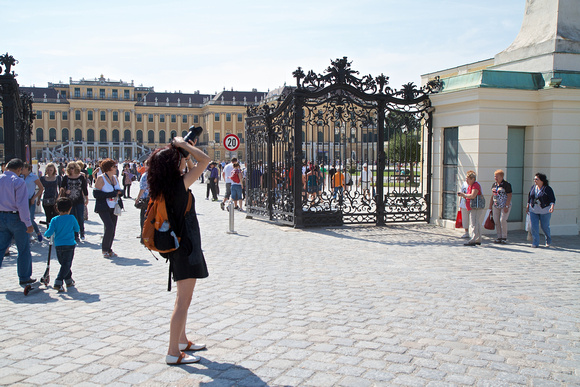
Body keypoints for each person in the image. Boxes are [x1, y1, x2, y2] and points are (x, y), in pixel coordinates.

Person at [147, 136, 210, 365]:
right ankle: (173, 352)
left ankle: (182, 341)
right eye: (180, 161)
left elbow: (196, 167)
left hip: (181, 246)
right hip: (185, 248)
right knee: (182, 302)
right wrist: (184, 145)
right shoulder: (178, 184)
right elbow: (205, 161)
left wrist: (183, 155)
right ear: (173, 166)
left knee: (183, 299)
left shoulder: (167, 185)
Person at [0, 158, 36, 286]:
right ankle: (24, 277)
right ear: (19, 169)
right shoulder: (18, 182)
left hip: (1, 217)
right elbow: (22, 205)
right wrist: (28, 223)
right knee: (23, 249)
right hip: (16, 218)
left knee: (1, 248)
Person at [43, 197, 79, 292]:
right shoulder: (72, 218)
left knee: (63, 263)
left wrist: (45, 234)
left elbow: (49, 232)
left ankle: (68, 280)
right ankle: (58, 281)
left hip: (58, 245)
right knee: (66, 264)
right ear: (70, 208)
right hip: (70, 244)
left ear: (57, 208)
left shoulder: (54, 220)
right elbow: (77, 229)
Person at [93, 159, 123, 258]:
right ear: (109, 168)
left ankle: (109, 249)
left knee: (112, 228)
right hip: (104, 207)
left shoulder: (115, 177)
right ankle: (104, 249)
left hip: (114, 206)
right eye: (114, 166)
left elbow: (118, 190)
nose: (116, 168)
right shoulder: (101, 178)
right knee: (109, 226)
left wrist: (120, 192)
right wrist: (112, 194)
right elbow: (96, 194)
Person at [60, 162, 89, 242]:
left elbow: (84, 188)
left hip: (79, 199)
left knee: (80, 216)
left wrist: (86, 198)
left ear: (76, 168)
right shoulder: (66, 177)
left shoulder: (81, 177)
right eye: (70, 168)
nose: (71, 170)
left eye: (73, 168)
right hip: (69, 201)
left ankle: (82, 232)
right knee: (72, 218)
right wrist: (66, 191)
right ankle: (75, 235)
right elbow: (61, 187)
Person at [527, 172, 556, 248]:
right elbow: (530, 198)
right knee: (534, 226)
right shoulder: (533, 187)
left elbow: (552, 199)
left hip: (545, 210)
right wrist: (528, 206)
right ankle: (535, 242)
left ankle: (548, 240)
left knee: (544, 226)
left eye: (537, 179)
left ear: (542, 180)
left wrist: (552, 207)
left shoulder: (547, 189)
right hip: (533, 210)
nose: (535, 180)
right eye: (534, 179)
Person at [458, 170, 485, 246]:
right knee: (477, 223)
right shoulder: (470, 185)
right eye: (466, 179)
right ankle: (478, 239)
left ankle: (473, 239)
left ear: (473, 179)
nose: (466, 180)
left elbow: (473, 195)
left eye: (468, 179)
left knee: (474, 223)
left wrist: (464, 195)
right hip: (472, 207)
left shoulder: (475, 185)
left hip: (476, 207)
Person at [21, 163, 44, 242]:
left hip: (30, 199)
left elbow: (41, 188)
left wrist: (35, 198)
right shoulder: (20, 177)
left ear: (27, 168)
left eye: (22, 168)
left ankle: (37, 232)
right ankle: (27, 235)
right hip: (21, 201)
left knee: (30, 218)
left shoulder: (33, 177)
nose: (21, 170)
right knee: (23, 219)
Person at [489, 169, 512, 244]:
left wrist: (507, 206)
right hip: (496, 205)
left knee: (503, 220)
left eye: (497, 176)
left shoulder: (506, 184)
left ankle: (504, 237)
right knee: (496, 220)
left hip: (504, 205)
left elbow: (509, 195)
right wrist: (490, 206)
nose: (496, 178)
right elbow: (493, 195)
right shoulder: (494, 185)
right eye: (495, 176)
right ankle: (499, 236)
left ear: (502, 177)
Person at [135, 161, 149, 243]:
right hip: (154, 199)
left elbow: (142, 189)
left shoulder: (145, 175)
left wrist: (137, 198)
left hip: (145, 200)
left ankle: (143, 236)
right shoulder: (157, 175)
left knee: (143, 219)